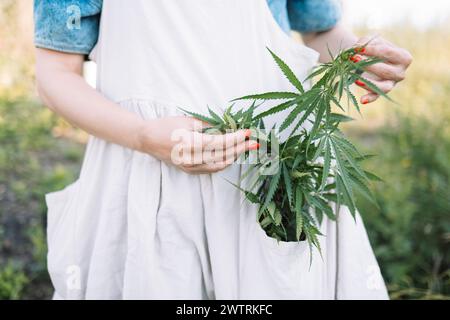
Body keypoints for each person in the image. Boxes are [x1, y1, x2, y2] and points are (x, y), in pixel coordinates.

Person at [34, 0, 412, 299]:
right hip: (150, 174)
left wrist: (355, 58)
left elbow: (321, 30)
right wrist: (143, 135)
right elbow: (55, 73)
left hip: (272, 174)